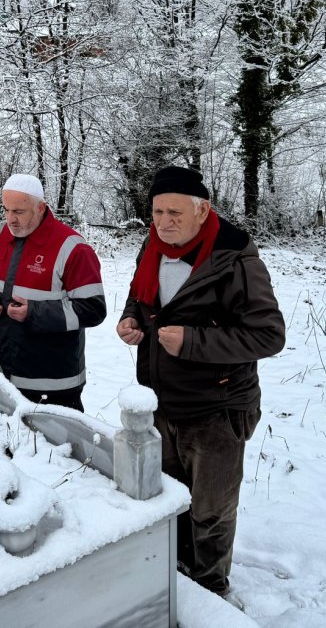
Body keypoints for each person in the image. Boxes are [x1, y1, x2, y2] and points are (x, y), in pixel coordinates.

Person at [116, 165, 285, 599]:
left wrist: (192, 341)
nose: (164, 222)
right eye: (156, 212)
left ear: (202, 210)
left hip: (216, 409)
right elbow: (142, 295)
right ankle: (173, 579)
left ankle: (210, 593)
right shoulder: (152, 246)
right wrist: (131, 318)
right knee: (171, 501)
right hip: (162, 402)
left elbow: (269, 335)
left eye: (174, 212)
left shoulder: (234, 259)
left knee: (210, 512)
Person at [0, 173, 107, 412]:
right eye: (6, 210)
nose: (11, 219)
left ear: (41, 208)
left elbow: (93, 309)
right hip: (6, 374)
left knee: (56, 450)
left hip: (56, 385)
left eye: (19, 212)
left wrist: (33, 313)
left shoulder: (72, 247)